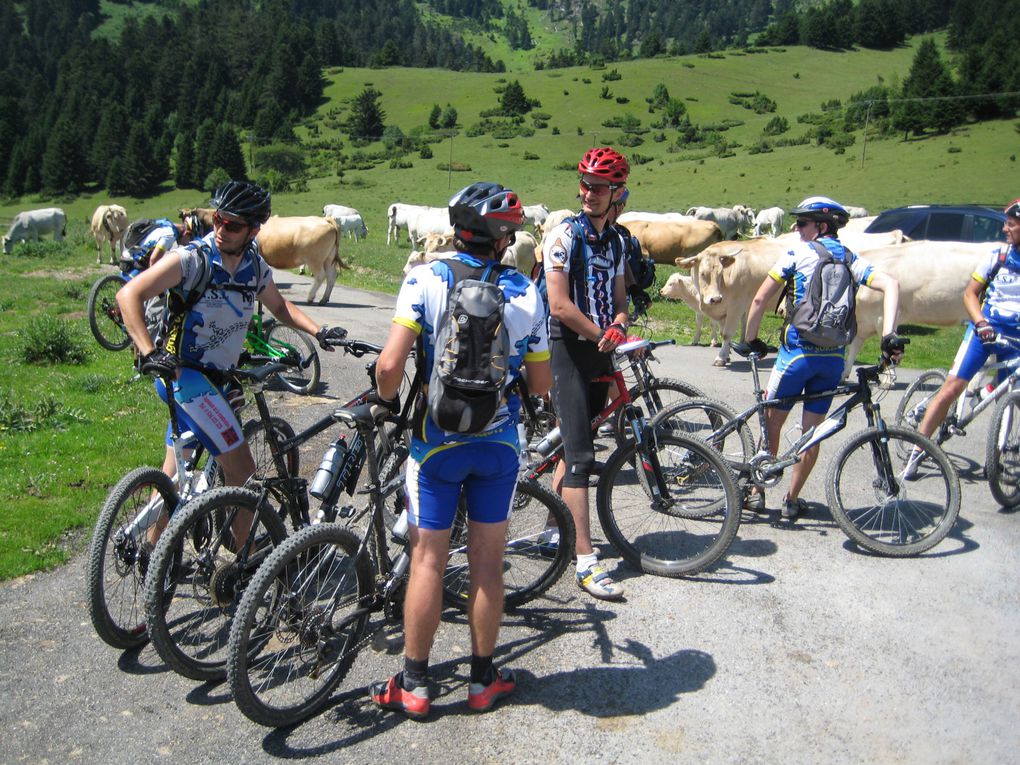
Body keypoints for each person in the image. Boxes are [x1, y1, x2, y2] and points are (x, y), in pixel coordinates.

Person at [369, 182, 551, 718]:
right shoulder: (525, 290)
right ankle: (482, 682)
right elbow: (540, 386)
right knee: (487, 564)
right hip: (498, 446)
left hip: (436, 445)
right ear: (503, 238)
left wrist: (385, 403)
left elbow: (388, 368)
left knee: (428, 559)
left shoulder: (424, 278)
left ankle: (416, 685)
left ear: (457, 230)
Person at [117, 180, 347, 542]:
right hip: (185, 376)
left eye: (234, 224)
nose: (222, 229)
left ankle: (151, 554)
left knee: (173, 476)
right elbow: (129, 293)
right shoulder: (193, 259)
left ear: (254, 229)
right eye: (219, 220)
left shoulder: (254, 266)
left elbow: (280, 306)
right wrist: (149, 352)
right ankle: (243, 567)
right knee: (242, 469)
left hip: (216, 380)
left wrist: (318, 332)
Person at [742, 196, 904, 520]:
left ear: (822, 226)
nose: (796, 228)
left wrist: (750, 340)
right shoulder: (850, 258)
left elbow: (760, 298)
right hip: (832, 359)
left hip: (796, 355)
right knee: (811, 432)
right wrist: (889, 336)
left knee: (773, 422)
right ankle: (791, 500)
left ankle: (757, 493)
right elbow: (892, 284)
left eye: (802, 223)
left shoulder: (795, 253)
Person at [544, 147, 631, 600]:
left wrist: (619, 324)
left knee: (577, 443)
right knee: (580, 459)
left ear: (616, 192)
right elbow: (558, 304)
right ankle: (585, 560)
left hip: (600, 347)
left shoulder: (615, 241)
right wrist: (602, 333)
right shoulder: (563, 235)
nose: (589, 193)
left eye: (599, 187)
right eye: (584, 184)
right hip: (569, 351)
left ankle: (551, 525)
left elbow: (620, 297)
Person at [911, 199, 1020, 444]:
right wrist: (981, 323)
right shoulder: (998, 257)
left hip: (1014, 339)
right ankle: (920, 447)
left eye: (1011, 225)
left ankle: (999, 454)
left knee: (1011, 398)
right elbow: (970, 294)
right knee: (952, 388)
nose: (1005, 229)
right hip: (984, 332)